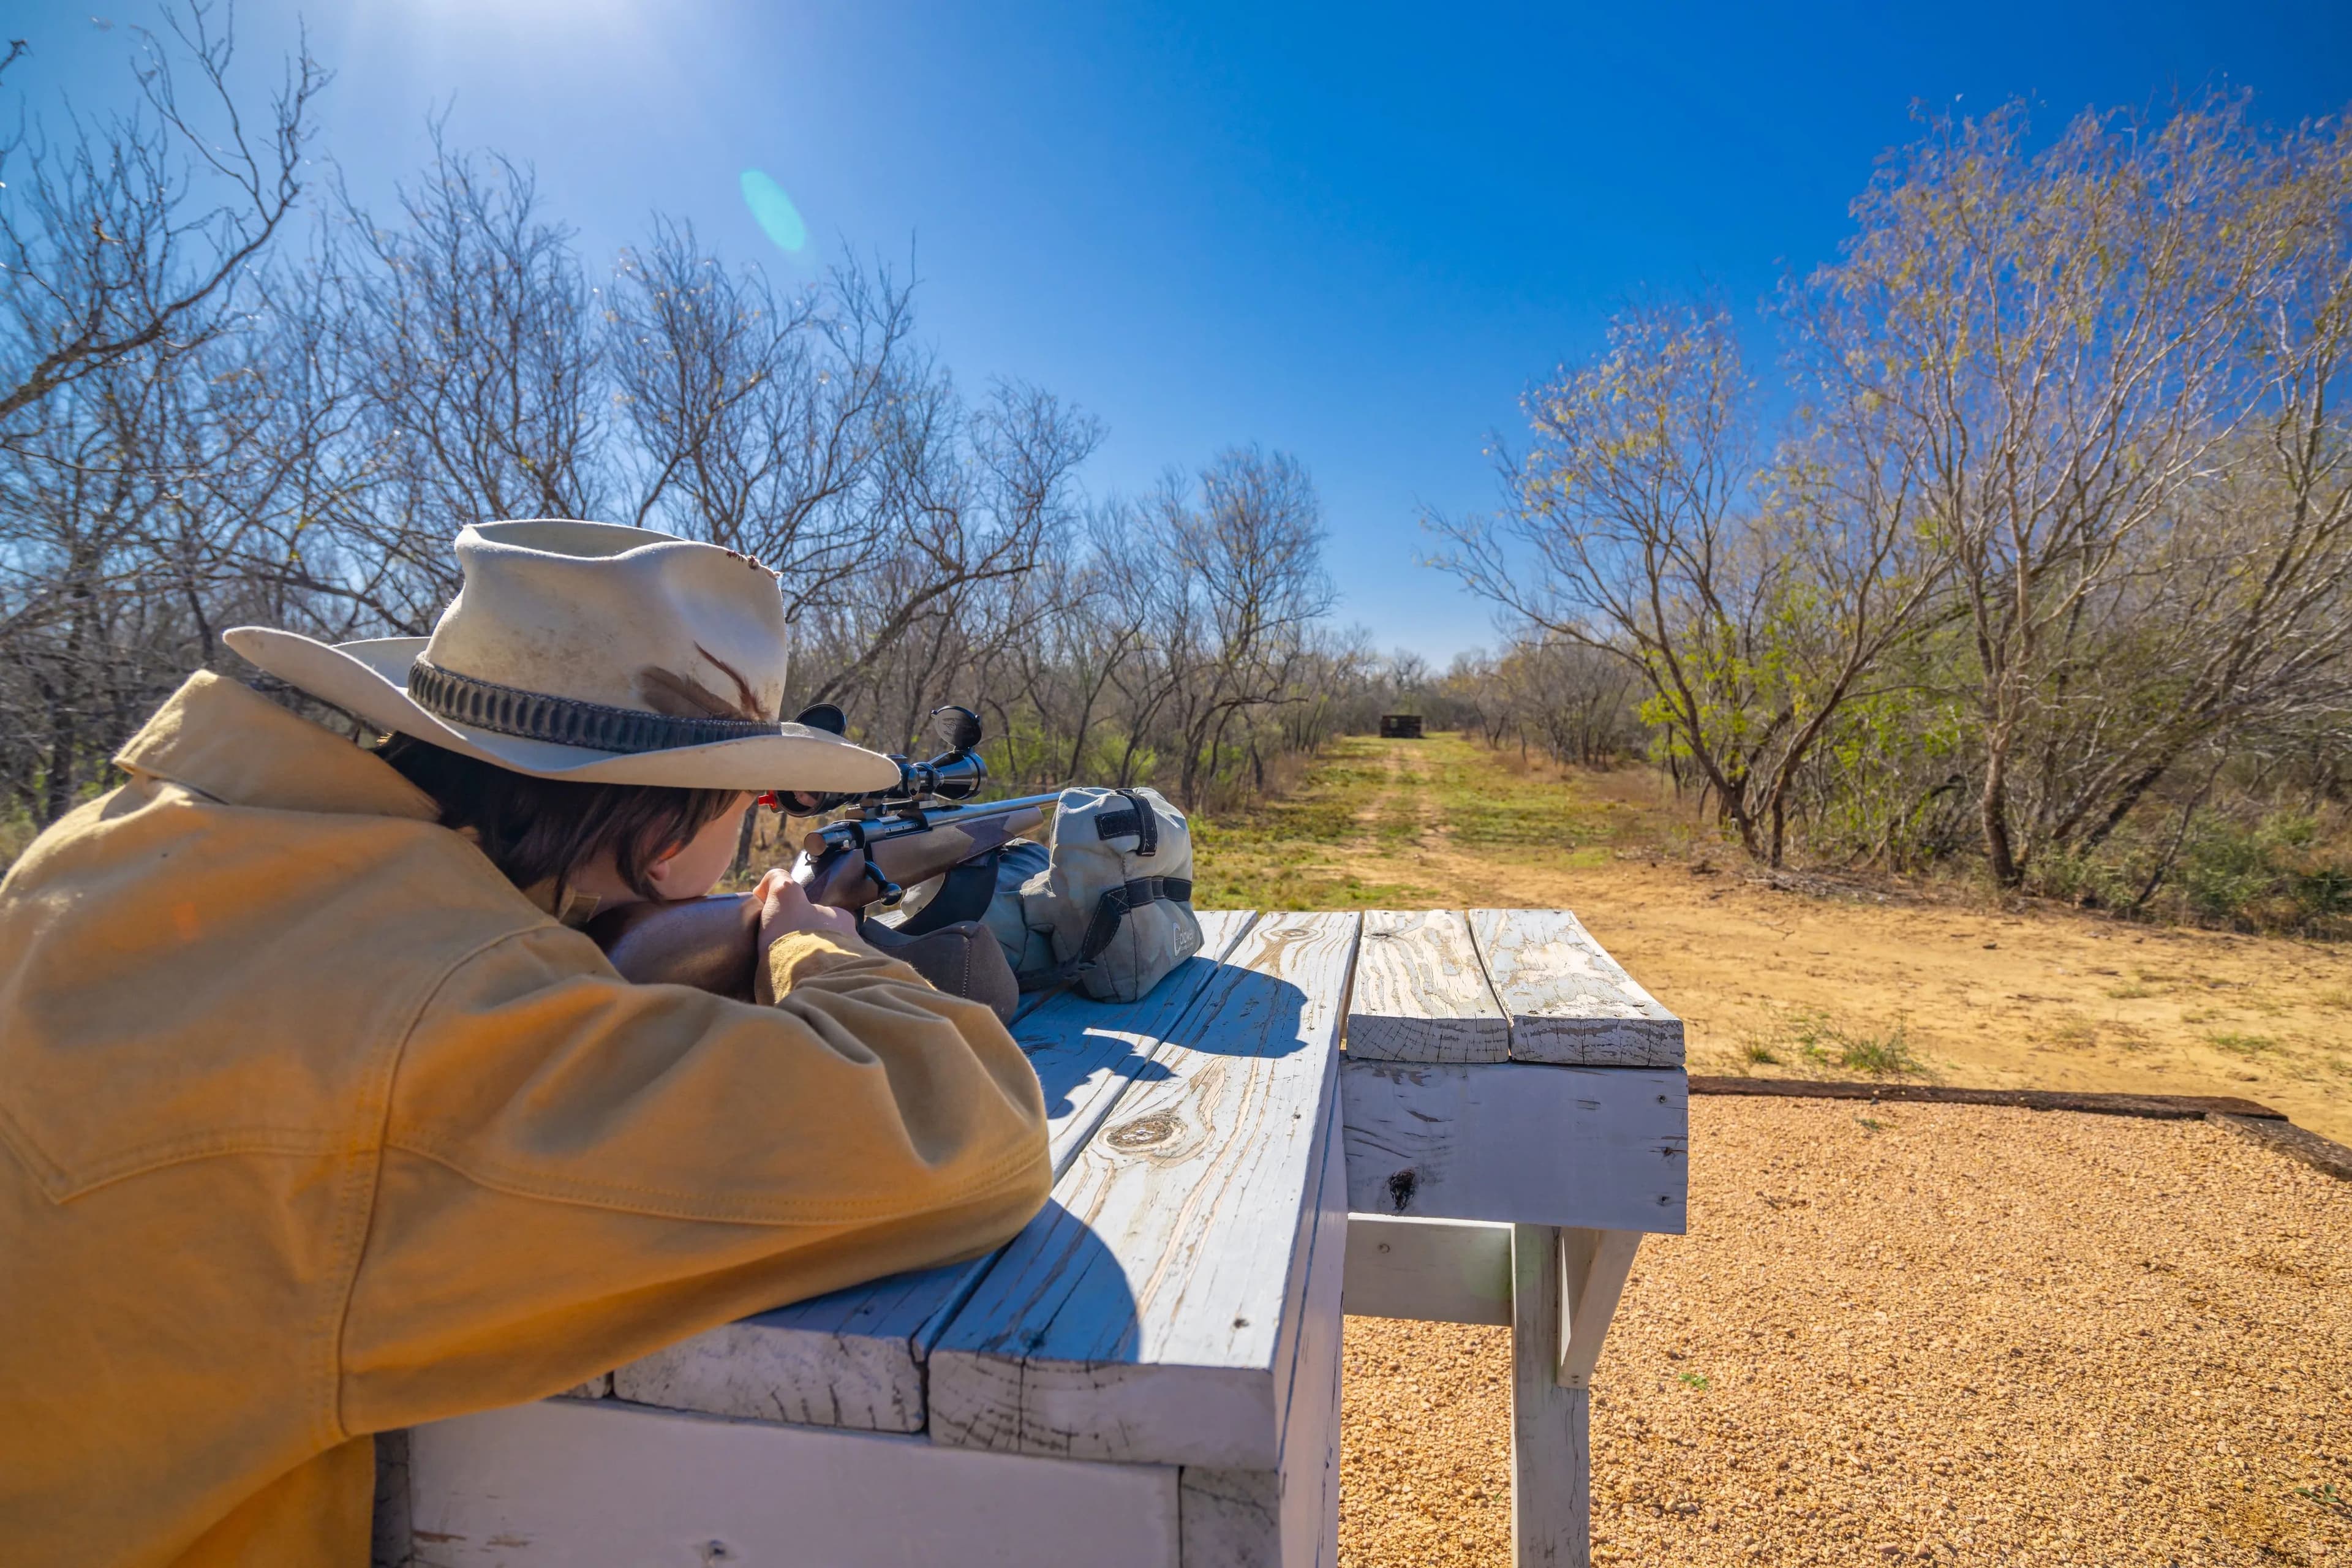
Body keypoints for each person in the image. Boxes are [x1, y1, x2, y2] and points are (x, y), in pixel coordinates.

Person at [0, 519, 1054, 1567]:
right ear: (669, 832)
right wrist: (814, 948)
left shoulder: (95, 848)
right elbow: (971, 1132)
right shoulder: (456, 1020)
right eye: (747, 801)